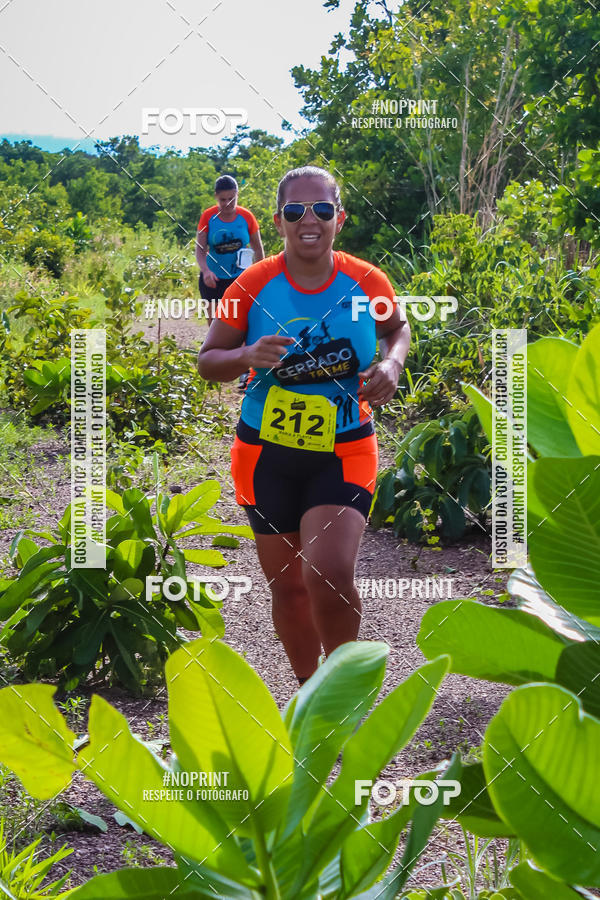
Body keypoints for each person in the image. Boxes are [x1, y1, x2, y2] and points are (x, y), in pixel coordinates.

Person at [197, 165, 410, 685]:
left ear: (341, 217)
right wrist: (247, 352)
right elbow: (208, 362)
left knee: (329, 575)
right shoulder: (253, 285)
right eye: (295, 211)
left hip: (345, 448)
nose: (308, 220)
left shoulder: (366, 280)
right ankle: (308, 694)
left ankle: (343, 697)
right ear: (277, 220)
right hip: (265, 454)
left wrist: (391, 364)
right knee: (289, 587)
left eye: (322, 210)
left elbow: (397, 328)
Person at [195, 174, 265, 324]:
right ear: (216, 197)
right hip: (213, 278)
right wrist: (206, 271)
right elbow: (200, 249)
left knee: (238, 325)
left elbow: (258, 250)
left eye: (231, 198)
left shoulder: (247, 216)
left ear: (237, 195)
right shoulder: (208, 216)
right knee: (214, 325)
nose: (227, 203)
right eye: (223, 199)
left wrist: (260, 277)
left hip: (240, 278)